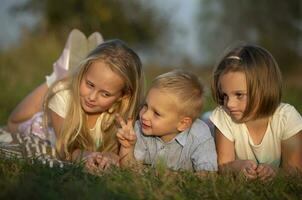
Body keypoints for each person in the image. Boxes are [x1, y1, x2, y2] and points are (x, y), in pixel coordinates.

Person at [7, 30, 144, 172]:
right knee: (13, 123)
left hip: (82, 84)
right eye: (90, 85)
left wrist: (111, 158)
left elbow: (120, 154)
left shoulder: (121, 118)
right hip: (43, 126)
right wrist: (83, 155)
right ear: (83, 74)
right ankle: (61, 75)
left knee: (85, 83)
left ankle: (81, 73)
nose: (92, 97)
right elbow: (64, 150)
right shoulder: (63, 98)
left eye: (105, 94)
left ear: (123, 96)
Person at [210, 44, 302, 181]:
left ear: (264, 89)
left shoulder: (287, 117)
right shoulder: (224, 115)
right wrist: (238, 166)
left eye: (239, 95)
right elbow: (223, 166)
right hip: (213, 127)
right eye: (224, 95)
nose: (229, 104)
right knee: (206, 124)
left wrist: (275, 173)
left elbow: (295, 170)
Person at [116, 70, 217, 173]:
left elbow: (208, 173)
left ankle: (209, 118)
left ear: (182, 124)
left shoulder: (199, 136)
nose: (145, 115)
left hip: (209, 131)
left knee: (211, 124)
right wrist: (127, 147)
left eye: (156, 113)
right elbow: (130, 168)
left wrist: (177, 178)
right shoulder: (140, 128)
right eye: (145, 106)